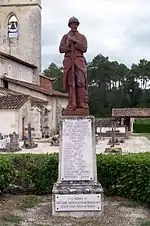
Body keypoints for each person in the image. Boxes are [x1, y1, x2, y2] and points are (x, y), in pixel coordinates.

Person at [59, 17, 88, 110]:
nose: (73, 26)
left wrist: (75, 42)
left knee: (80, 82)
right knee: (71, 83)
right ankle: (72, 104)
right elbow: (61, 49)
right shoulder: (65, 37)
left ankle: (81, 103)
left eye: (75, 24)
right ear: (69, 26)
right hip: (69, 60)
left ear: (77, 25)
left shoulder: (82, 37)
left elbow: (84, 48)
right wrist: (68, 44)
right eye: (72, 24)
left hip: (79, 60)